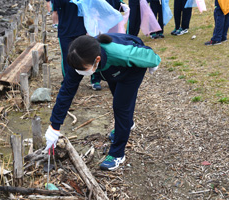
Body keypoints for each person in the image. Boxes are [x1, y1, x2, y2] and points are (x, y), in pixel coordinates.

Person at [44, 33, 161, 171]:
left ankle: (117, 153)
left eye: (83, 69)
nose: (79, 72)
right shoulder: (77, 59)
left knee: (121, 107)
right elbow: (66, 92)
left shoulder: (120, 53)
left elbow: (146, 54)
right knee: (117, 97)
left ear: (97, 59)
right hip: (111, 71)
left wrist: (154, 62)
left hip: (132, 71)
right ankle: (127, 124)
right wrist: (54, 126)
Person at [53, 0, 102, 90]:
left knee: (93, 52)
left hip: (85, 27)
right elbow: (56, 7)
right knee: (67, 56)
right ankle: (67, 81)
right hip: (66, 29)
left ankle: (95, 79)